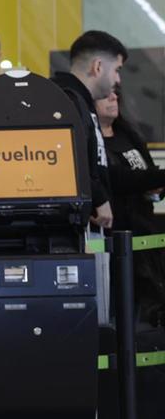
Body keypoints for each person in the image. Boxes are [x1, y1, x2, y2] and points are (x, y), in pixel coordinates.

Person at [97, 90, 165, 323]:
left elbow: (149, 174)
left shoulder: (128, 133)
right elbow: (119, 180)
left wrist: (156, 189)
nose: (113, 97)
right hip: (117, 240)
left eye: (115, 93)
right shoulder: (94, 143)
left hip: (145, 236)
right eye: (105, 95)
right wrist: (155, 179)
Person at [51, 30, 127, 231]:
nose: (118, 80)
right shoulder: (66, 100)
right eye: (117, 70)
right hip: (74, 226)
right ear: (98, 66)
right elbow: (68, 158)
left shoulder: (83, 101)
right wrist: (99, 198)